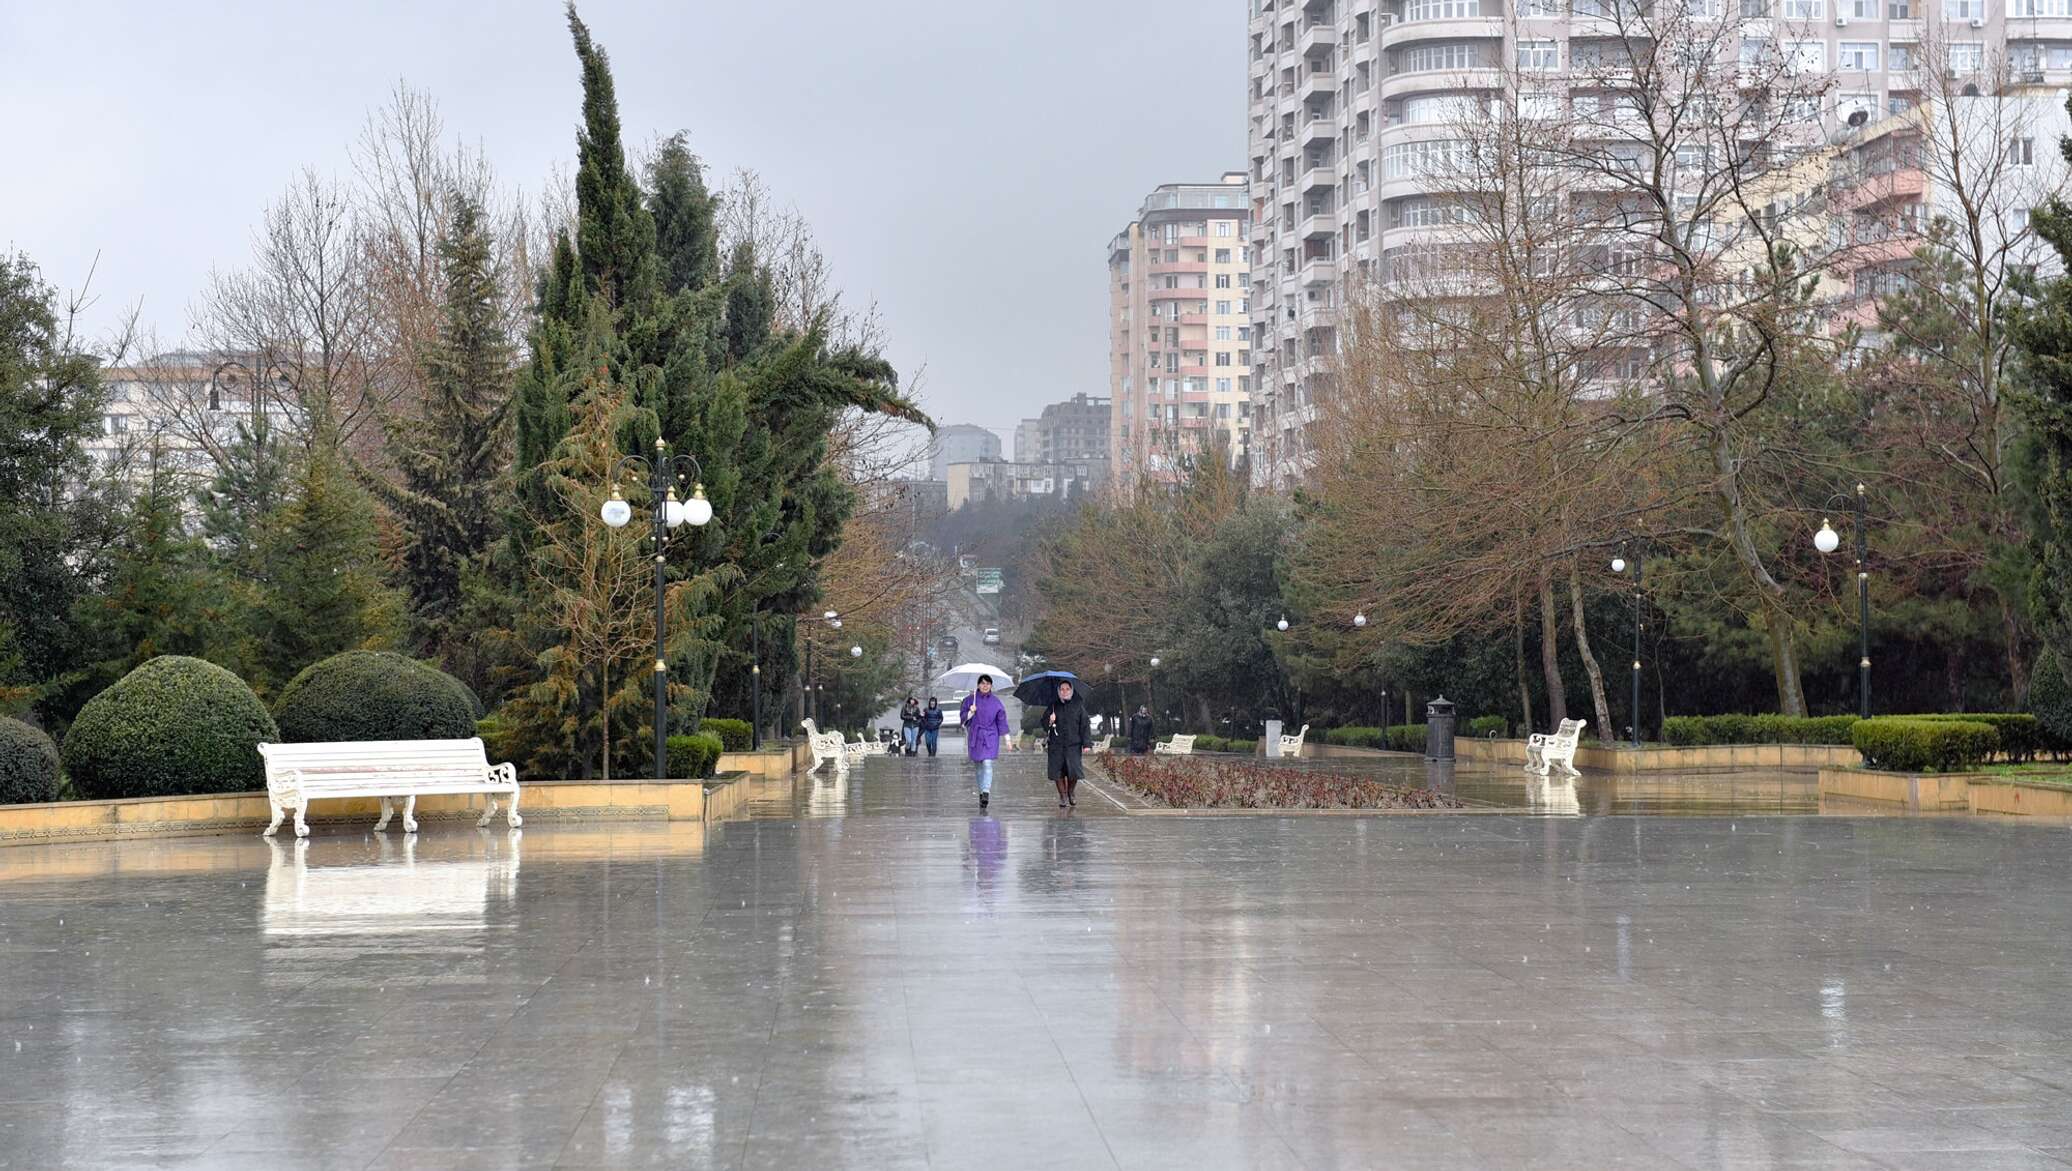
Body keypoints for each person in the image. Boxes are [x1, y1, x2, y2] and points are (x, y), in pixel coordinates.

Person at [959, 675, 1014, 811]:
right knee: (978, 766)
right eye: (982, 683)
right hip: (976, 736)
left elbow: (1001, 721)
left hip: (990, 736)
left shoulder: (996, 702)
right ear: (978, 685)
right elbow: (963, 720)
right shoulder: (969, 700)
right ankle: (981, 792)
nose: (985, 686)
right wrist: (971, 713)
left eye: (988, 683)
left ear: (991, 686)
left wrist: (1007, 739)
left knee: (987, 763)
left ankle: (986, 792)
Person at [1045, 679, 1093, 808]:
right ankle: (1062, 796)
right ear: (1059, 691)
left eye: (1067, 689)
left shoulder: (1078, 706)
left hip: (1073, 745)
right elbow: (1044, 725)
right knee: (1058, 772)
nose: (1064, 691)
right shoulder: (1053, 706)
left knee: (1074, 771)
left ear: (1071, 691)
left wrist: (1087, 744)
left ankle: (1071, 792)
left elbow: (1085, 725)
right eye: (1062, 689)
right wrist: (1050, 720)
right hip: (1056, 745)